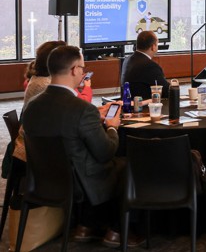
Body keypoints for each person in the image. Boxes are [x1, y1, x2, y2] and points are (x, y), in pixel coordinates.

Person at [22, 45, 142, 247]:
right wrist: (112, 127)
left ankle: (86, 225)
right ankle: (117, 231)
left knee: (86, 158)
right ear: (74, 70)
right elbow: (105, 153)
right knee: (127, 164)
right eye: (83, 68)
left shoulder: (32, 106)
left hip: (43, 179)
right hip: (79, 182)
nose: (83, 72)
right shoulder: (82, 109)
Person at [121, 30, 169, 99]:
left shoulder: (127, 60)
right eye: (157, 44)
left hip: (128, 103)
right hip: (143, 104)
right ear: (153, 47)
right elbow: (167, 91)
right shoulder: (150, 66)